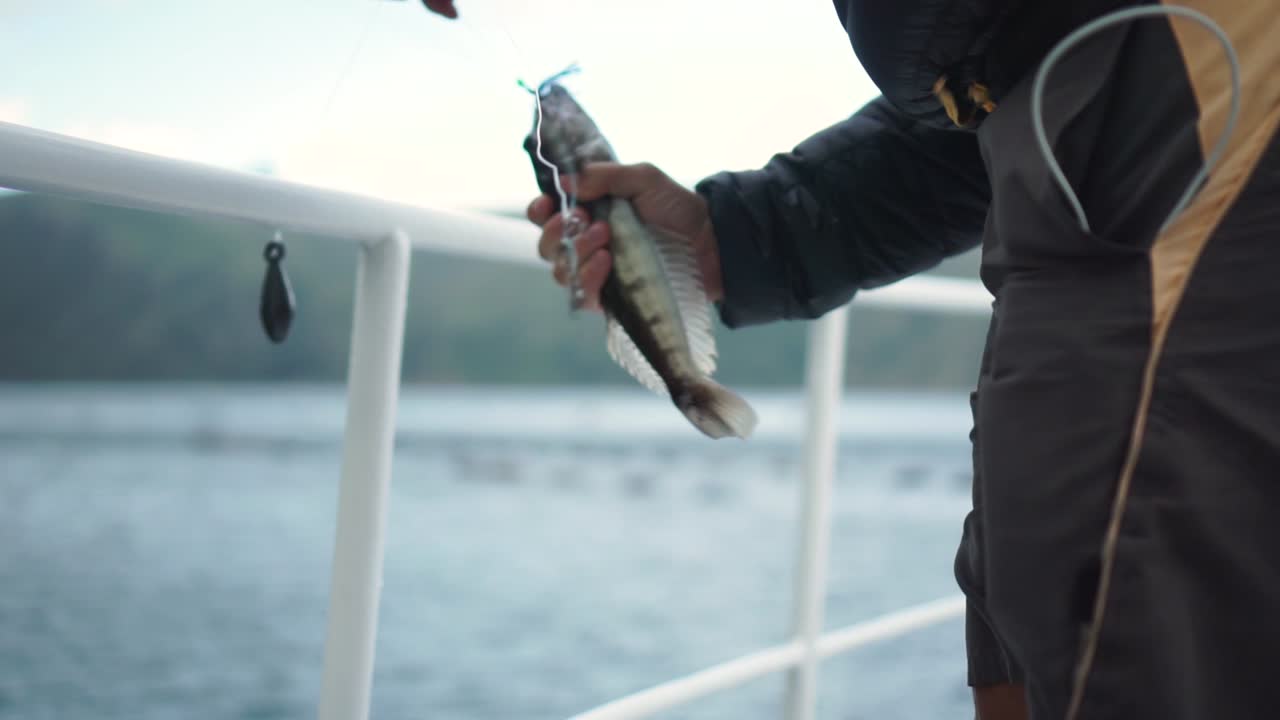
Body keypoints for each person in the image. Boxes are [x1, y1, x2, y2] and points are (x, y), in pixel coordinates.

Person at [426, 2, 1280, 719]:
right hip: (1099, 227)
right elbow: (992, 98)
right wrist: (737, 236)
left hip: (1203, 155)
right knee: (1044, 638)